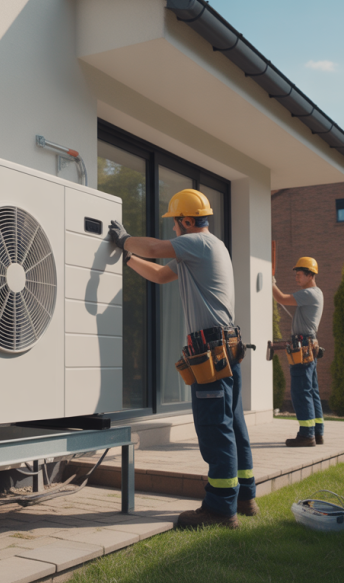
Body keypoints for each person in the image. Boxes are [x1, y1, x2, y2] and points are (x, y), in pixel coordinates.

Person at [109, 189, 257, 530]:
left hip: (212, 353)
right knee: (233, 425)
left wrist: (125, 239)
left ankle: (220, 509)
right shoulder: (208, 248)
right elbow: (161, 275)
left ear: (187, 221)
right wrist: (128, 257)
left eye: (175, 222)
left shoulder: (199, 244)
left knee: (214, 429)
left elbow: (154, 249)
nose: (173, 229)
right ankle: (245, 497)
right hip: (225, 351)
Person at [272, 258, 324, 447]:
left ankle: (306, 435)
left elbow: (281, 298)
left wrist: (271, 283)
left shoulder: (309, 293)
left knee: (301, 392)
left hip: (303, 348)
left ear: (310, 275)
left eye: (299, 274)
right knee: (311, 391)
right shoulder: (315, 293)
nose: (296, 277)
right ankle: (317, 433)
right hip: (309, 347)